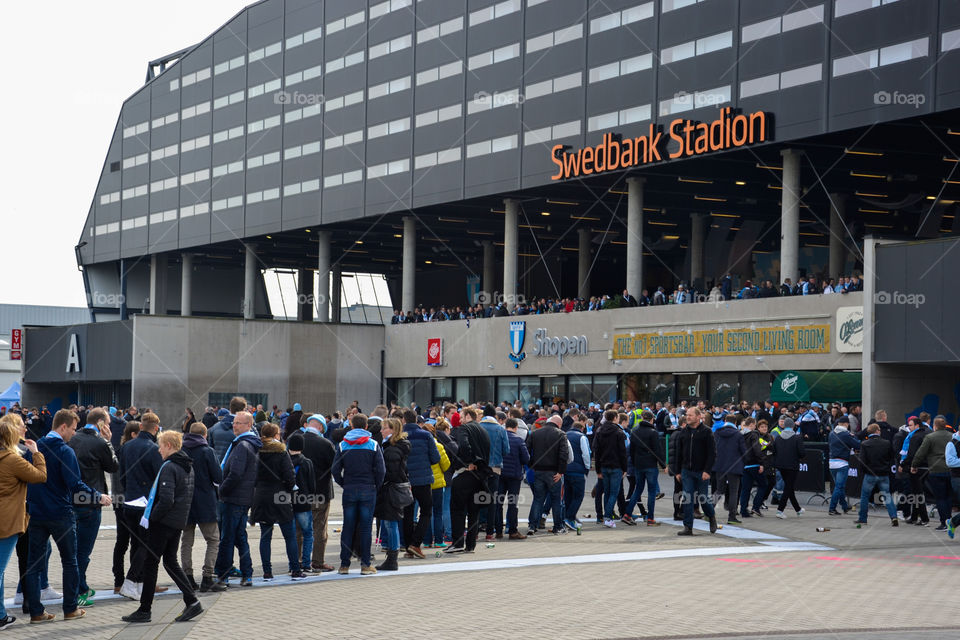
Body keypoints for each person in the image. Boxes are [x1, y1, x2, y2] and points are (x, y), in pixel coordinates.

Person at [25, 409, 111, 623]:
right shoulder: (65, 451)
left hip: (35, 513)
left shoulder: (34, 449)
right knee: (70, 562)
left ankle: (36, 612)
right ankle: (70, 609)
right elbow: (75, 485)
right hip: (61, 513)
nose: (74, 433)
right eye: (72, 429)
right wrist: (98, 496)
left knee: (34, 564)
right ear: (63, 427)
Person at [121, 430, 203, 623]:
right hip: (177, 522)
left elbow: (166, 500)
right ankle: (192, 601)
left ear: (168, 446)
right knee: (170, 561)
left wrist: (150, 519)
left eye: (160, 446)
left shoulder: (170, 467)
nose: (158, 450)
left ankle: (145, 610)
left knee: (151, 564)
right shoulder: (187, 466)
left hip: (163, 523)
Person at [66, 407, 118, 606]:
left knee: (73, 549)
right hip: (91, 501)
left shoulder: (73, 438)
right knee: (83, 552)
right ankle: (79, 590)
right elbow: (113, 466)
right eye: (108, 423)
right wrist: (109, 441)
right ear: (101, 423)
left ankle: (82, 586)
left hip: (71, 499)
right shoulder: (100, 442)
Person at [0, 416, 47, 629]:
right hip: (8, 520)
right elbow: (40, 476)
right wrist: (36, 452)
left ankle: (1, 614)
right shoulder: (12, 459)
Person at [212, 411, 262, 590]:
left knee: (227, 538)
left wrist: (221, 490)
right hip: (242, 497)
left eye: (239, 423)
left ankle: (223, 575)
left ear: (249, 425)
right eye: (234, 423)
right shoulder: (248, 443)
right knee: (240, 537)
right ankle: (247, 574)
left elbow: (236, 473)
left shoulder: (242, 445)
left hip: (234, 498)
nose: (235, 425)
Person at [117, 412, 163, 600]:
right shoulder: (153, 449)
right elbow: (158, 478)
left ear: (142, 426)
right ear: (156, 428)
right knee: (147, 544)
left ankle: (139, 584)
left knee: (136, 544)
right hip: (146, 502)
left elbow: (122, 475)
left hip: (129, 500)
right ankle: (131, 581)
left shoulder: (126, 446)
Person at [332, 414, 385, 574]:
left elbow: (335, 470)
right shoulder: (373, 444)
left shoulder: (342, 445)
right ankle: (365, 564)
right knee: (365, 528)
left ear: (351, 426)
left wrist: (343, 483)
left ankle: (344, 565)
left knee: (348, 527)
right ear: (366, 426)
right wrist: (376, 485)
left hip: (349, 489)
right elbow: (381, 470)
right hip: (368, 489)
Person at [251, 423, 303, 580]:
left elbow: (252, 475)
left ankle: (267, 571)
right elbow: (289, 475)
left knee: (265, 536)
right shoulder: (281, 452)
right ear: (275, 435)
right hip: (280, 495)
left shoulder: (256, 451)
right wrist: (289, 488)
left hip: (261, 495)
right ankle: (295, 568)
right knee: (289, 534)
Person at [180, 423, 222, 592]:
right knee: (213, 540)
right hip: (206, 501)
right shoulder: (207, 451)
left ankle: (187, 577)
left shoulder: (181, 451)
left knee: (186, 541)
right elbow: (218, 476)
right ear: (204, 435)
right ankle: (207, 577)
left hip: (185, 502)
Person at [444, 407, 491, 553]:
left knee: (457, 509)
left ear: (469, 416)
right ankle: (470, 545)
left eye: (462, 416)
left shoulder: (464, 428)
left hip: (466, 473)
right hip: (481, 476)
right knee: (474, 511)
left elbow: (464, 445)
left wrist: (470, 461)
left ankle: (457, 543)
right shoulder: (483, 431)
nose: (460, 419)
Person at [297, 414, 336, 572]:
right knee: (319, 527)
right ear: (321, 427)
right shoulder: (326, 444)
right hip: (321, 492)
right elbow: (335, 466)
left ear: (308, 425)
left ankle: (298, 560)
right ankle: (317, 561)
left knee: (299, 528)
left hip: (299, 492)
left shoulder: (297, 440)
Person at [400, 409, 440, 559]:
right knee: (426, 511)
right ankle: (416, 544)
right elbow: (435, 458)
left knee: (407, 514)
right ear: (416, 420)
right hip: (423, 480)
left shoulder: (399, 436)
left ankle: (409, 546)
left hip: (406, 481)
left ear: (404, 420)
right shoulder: (426, 435)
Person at [674, 407, 718, 535]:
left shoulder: (707, 432)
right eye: (687, 415)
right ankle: (688, 527)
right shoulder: (683, 432)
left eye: (690, 415)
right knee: (687, 498)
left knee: (703, 498)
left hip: (702, 471)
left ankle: (711, 517)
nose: (687, 417)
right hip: (686, 471)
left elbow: (712, 454)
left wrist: (707, 470)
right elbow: (678, 453)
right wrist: (677, 471)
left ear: (699, 417)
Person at [375, 418, 411, 571]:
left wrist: (380, 479)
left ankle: (392, 558)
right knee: (391, 523)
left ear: (392, 430)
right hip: (395, 488)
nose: (381, 431)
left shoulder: (392, 449)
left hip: (391, 490)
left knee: (391, 523)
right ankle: (392, 557)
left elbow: (392, 472)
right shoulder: (395, 446)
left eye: (384, 428)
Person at [527, 414, 569, 534]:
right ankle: (558, 526)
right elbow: (563, 455)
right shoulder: (561, 434)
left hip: (538, 470)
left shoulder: (535, 433)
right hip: (553, 472)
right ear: (559, 424)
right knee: (556, 500)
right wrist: (561, 471)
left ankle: (532, 525)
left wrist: (531, 465)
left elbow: (527, 450)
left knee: (538, 499)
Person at [111, 421, 139, 594]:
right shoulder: (128, 452)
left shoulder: (120, 450)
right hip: (126, 500)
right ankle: (129, 580)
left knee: (122, 541)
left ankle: (121, 581)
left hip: (119, 499)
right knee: (131, 542)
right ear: (134, 434)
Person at [912, 417, 954, 531]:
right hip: (951, 470)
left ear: (935, 426)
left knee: (940, 498)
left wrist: (914, 465)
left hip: (936, 470)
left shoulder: (930, 437)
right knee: (948, 497)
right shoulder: (952, 436)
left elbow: (921, 453)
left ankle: (944, 523)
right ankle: (950, 521)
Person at [855, 423, 900, 526]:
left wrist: (864, 472)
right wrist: (887, 468)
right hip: (883, 474)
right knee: (887, 496)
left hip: (870, 474)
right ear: (878, 431)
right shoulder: (887, 443)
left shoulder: (865, 444)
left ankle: (863, 518)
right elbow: (891, 457)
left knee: (865, 497)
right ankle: (893, 517)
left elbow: (862, 461)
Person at [626, 411, 665, 526]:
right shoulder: (653, 432)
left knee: (638, 489)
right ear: (652, 419)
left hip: (638, 465)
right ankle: (650, 518)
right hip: (650, 465)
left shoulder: (635, 432)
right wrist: (663, 465)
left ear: (642, 418)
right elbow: (657, 450)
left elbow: (631, 450)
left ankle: (627, 514)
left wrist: (634, 462)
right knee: (651, 491)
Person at [286, 433, 316, 573]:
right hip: (303, 502)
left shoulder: (284, 461)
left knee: (291, 535)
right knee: (308, 533)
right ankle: (306, 563)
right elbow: (312, 485)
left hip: (287, 502)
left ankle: (293, 564)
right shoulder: (307, 462)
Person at [594, 410, 628, 528]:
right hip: (616, 466)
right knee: (614, 492)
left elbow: (596, 452)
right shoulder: (619, 432)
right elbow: (622, 452)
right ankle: (608, 517)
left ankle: (606, 516)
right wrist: (625, 468)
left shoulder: (599, 431)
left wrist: (598, 469)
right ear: (614, 418)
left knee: (607, 493)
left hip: (603, 466)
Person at [422, 420, 451, 547]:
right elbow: (446, 465)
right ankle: (439, 540)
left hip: (423, 483)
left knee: (425, 512)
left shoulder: (418, 446)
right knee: (437, 512)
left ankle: (427, 541)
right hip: (437, 483)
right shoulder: (438, 446)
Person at [713, 415, 746, 525]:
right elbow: (744, 451)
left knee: (719, 490)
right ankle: (731, 517)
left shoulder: (717, 432)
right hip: (734, 467)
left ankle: (708, 511)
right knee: (733, 492)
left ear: (725, 421)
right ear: (735, 422)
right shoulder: (738, 435)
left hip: (720, 466)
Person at [899, 415, 931, 525]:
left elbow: (911, 454)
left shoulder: (915, 436)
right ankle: (914, 517)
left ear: (917, 425)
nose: (909, 427)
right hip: (927, 467)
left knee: (917, 494)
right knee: (917, 492)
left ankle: (924, 519)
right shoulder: (928, 433)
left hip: (916, 467)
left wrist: (903, 464)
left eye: (911, 425)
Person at [771, 418, 805, 518]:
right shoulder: (797, 438)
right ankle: (780, 510)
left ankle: (798, 509)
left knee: (789, 487)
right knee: (788, 487)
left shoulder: (778, 437)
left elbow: (774, 451)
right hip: (792, 465)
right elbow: (802, 453)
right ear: (793, 426)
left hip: (780, 465)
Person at [827, 416, 860, 515]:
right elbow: (857, 445)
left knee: (839, 486)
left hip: (832, 463)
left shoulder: (831, 433)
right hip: (842, 463)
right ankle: (832, 508)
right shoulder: (846, 434)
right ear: (846, 424)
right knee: (839, 487)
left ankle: (845, 506)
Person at [563, 415, 590, 530]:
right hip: (578, 471)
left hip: (566, 470)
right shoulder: (582, 437)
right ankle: (570, 518)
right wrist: (587, 468)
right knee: (578, 496)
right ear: (582, 428)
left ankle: (566, 517)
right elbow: (586, 454)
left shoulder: (564, 435)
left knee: (568, 495)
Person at [739, 418, 766, 518]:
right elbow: (756, 449)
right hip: (754, 464)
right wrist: (761, 463)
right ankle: (756, 506)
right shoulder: (753, 434)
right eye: (755, 425)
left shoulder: (740, 434)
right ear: (752, 424)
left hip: (744, 465)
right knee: (763, 485)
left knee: (745, 489)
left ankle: (743, 510)